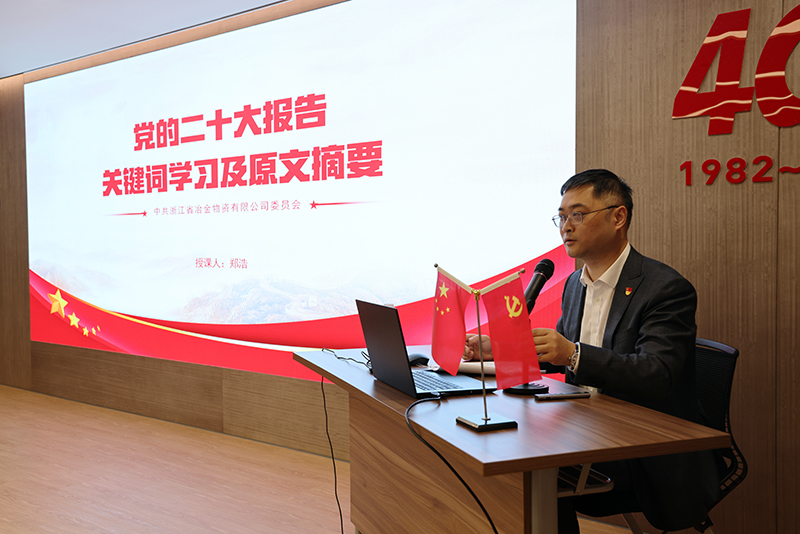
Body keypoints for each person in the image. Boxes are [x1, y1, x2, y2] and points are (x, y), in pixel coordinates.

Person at [463, 169, 719, 533]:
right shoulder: (574, 284)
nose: (566, 227)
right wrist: (499, 350)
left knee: (530, 473)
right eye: (561, 217)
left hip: (643, 450)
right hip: (583, 429)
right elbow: (562, 355)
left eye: (578, 215)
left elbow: (657, 373)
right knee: (499, 455)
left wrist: (572, 354)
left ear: (618, 217)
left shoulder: (665, 289)